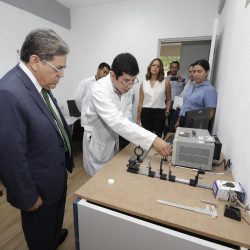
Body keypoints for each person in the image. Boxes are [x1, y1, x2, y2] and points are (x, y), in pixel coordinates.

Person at [0, 29, 74, 250]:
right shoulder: (9, 93)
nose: (61, 75)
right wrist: (28, 197)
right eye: (58, 69)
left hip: (54, 176)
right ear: (35, 61)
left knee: (53, 225)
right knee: (40, 239)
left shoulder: (39, 83)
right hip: (37, 190)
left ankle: (53, 238)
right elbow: (10, 155)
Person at [81, 53, 172, 176]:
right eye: (126, 81)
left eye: (133, 81)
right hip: (98, 139)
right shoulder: (99, 89)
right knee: (97, 179)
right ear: (113, 75)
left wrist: (136, 130)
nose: (130, 86)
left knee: (110, 173)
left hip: (113, 138)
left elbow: (125, 115)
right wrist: (153, 140)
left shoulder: (127, 89)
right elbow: (116, 120)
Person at [136, 58, 171, 138]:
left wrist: (167, 112)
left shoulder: (166, 82)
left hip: (160, 113)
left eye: (158, 66)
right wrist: (138, 119)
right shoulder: (143, 83)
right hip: (145, 113)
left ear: (160, 69)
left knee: (157, 138)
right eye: (153, 65)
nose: (155, 67)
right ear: (150, 67)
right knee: (146, 137)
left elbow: (169, 100)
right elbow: (140, 102)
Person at [177, 59, 217, 128]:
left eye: (199, 71)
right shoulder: (191, 85)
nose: (196, 74)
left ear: (206, 72)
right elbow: (185, 104)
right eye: (194, 71)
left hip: (195, 124)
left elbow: (211, 113)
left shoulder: (209, 89)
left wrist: (198, 125)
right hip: (182, 120)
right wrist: (179, 120)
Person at [166, 61, 185, 132]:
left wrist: (182, 80)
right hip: (167, 102)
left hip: (177, 104)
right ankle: (165, 137)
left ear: (178, 68)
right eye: (172, 67)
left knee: (174, 123)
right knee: (166, 123)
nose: (174, 69)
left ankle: (171, 137)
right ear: (170, 68)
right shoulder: (166, 79)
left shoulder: (183, 79)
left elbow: (189, 84)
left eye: (176, 67)